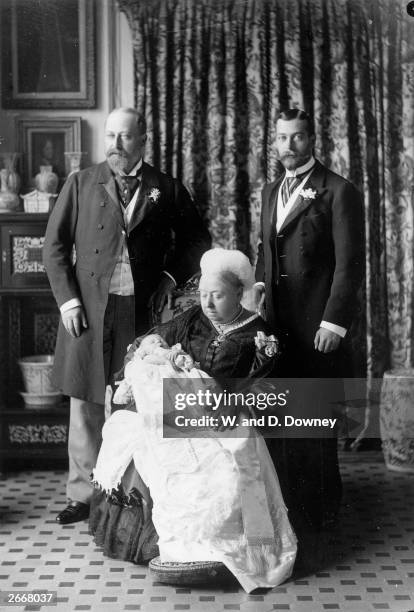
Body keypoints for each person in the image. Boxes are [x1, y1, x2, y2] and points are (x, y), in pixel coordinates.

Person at [89, 248, 297, 592]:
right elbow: (147, 343)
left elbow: (265, 383)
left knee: (226, 466)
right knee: (158, 450)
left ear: (238, 294)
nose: (209, 303)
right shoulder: (191, 319)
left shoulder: (257, 332)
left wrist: (232, 398)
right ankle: (179, 546)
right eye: (203, 295)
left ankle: (219, 549)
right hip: (180, 406)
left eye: (217, 296)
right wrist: (152, 355)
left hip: (226, 410)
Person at [43, 107, 211, 525]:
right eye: (111, 136)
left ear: (143, 140)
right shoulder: (80, 183)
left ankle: (130, 492)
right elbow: (54, 247)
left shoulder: (166, 188)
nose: (116, 145)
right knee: (84, 401)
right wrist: (69, 302)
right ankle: (81, 495)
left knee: (134, 398)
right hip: (89, 308)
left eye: (126, 137)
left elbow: (196, 240)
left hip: (142, 311)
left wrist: (171, 277)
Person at [255, 108, 365, 532]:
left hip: (317, 327)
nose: (288, 146)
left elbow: (350, 263)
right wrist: (257, 299)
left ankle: (322, 514)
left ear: (312, 139)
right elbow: (266, 253)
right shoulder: (270, 191)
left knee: (316, 422)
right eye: (282, 138)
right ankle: (290, 509)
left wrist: (333, 323)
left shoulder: (338, 191)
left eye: (297, 137)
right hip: (276, 328)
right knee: (284, 420)